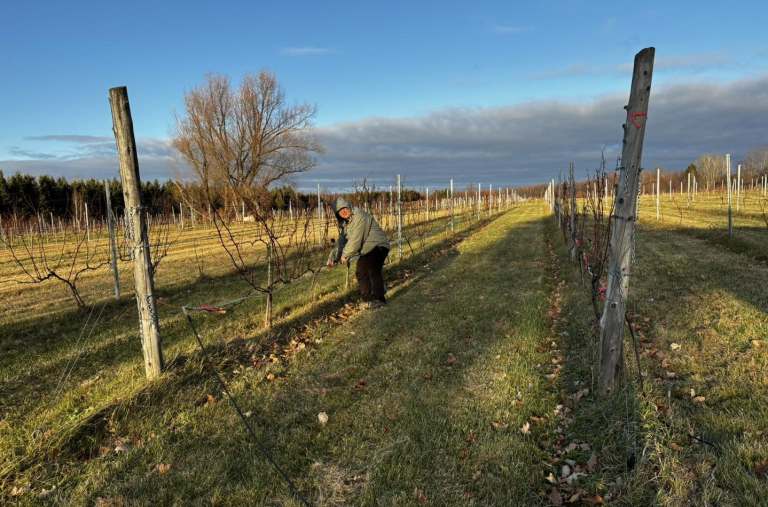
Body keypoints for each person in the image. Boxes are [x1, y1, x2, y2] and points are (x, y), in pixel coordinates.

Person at [327, 197, 390, 309]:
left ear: (348, 206)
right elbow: (341, 242)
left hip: (379, 245)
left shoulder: (360, 216)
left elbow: (355, 240)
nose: (343, 211)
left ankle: (379, 299)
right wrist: (334, 258)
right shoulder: (346, 224)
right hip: (367, 249)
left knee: (373, 268)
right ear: (337, 215)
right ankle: (367, 299)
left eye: (344, 208)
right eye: (339, 211)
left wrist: (345, 255)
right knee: (360, 272)